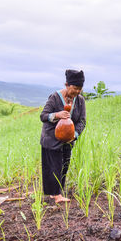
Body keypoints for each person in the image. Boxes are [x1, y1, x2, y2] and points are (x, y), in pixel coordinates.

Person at [40, 69, 86, 203]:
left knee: (64, 165)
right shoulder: (54, 98)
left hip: (68, 139)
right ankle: (56, 195)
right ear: (67, 85)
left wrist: (75, 134)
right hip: (51, 138)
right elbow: (43, 116)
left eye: (80, 89)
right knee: (54, 165)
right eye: (75, 88)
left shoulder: (80, 101)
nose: (78, 91)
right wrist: (56, 115)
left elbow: (82, 121)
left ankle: (56, 193)